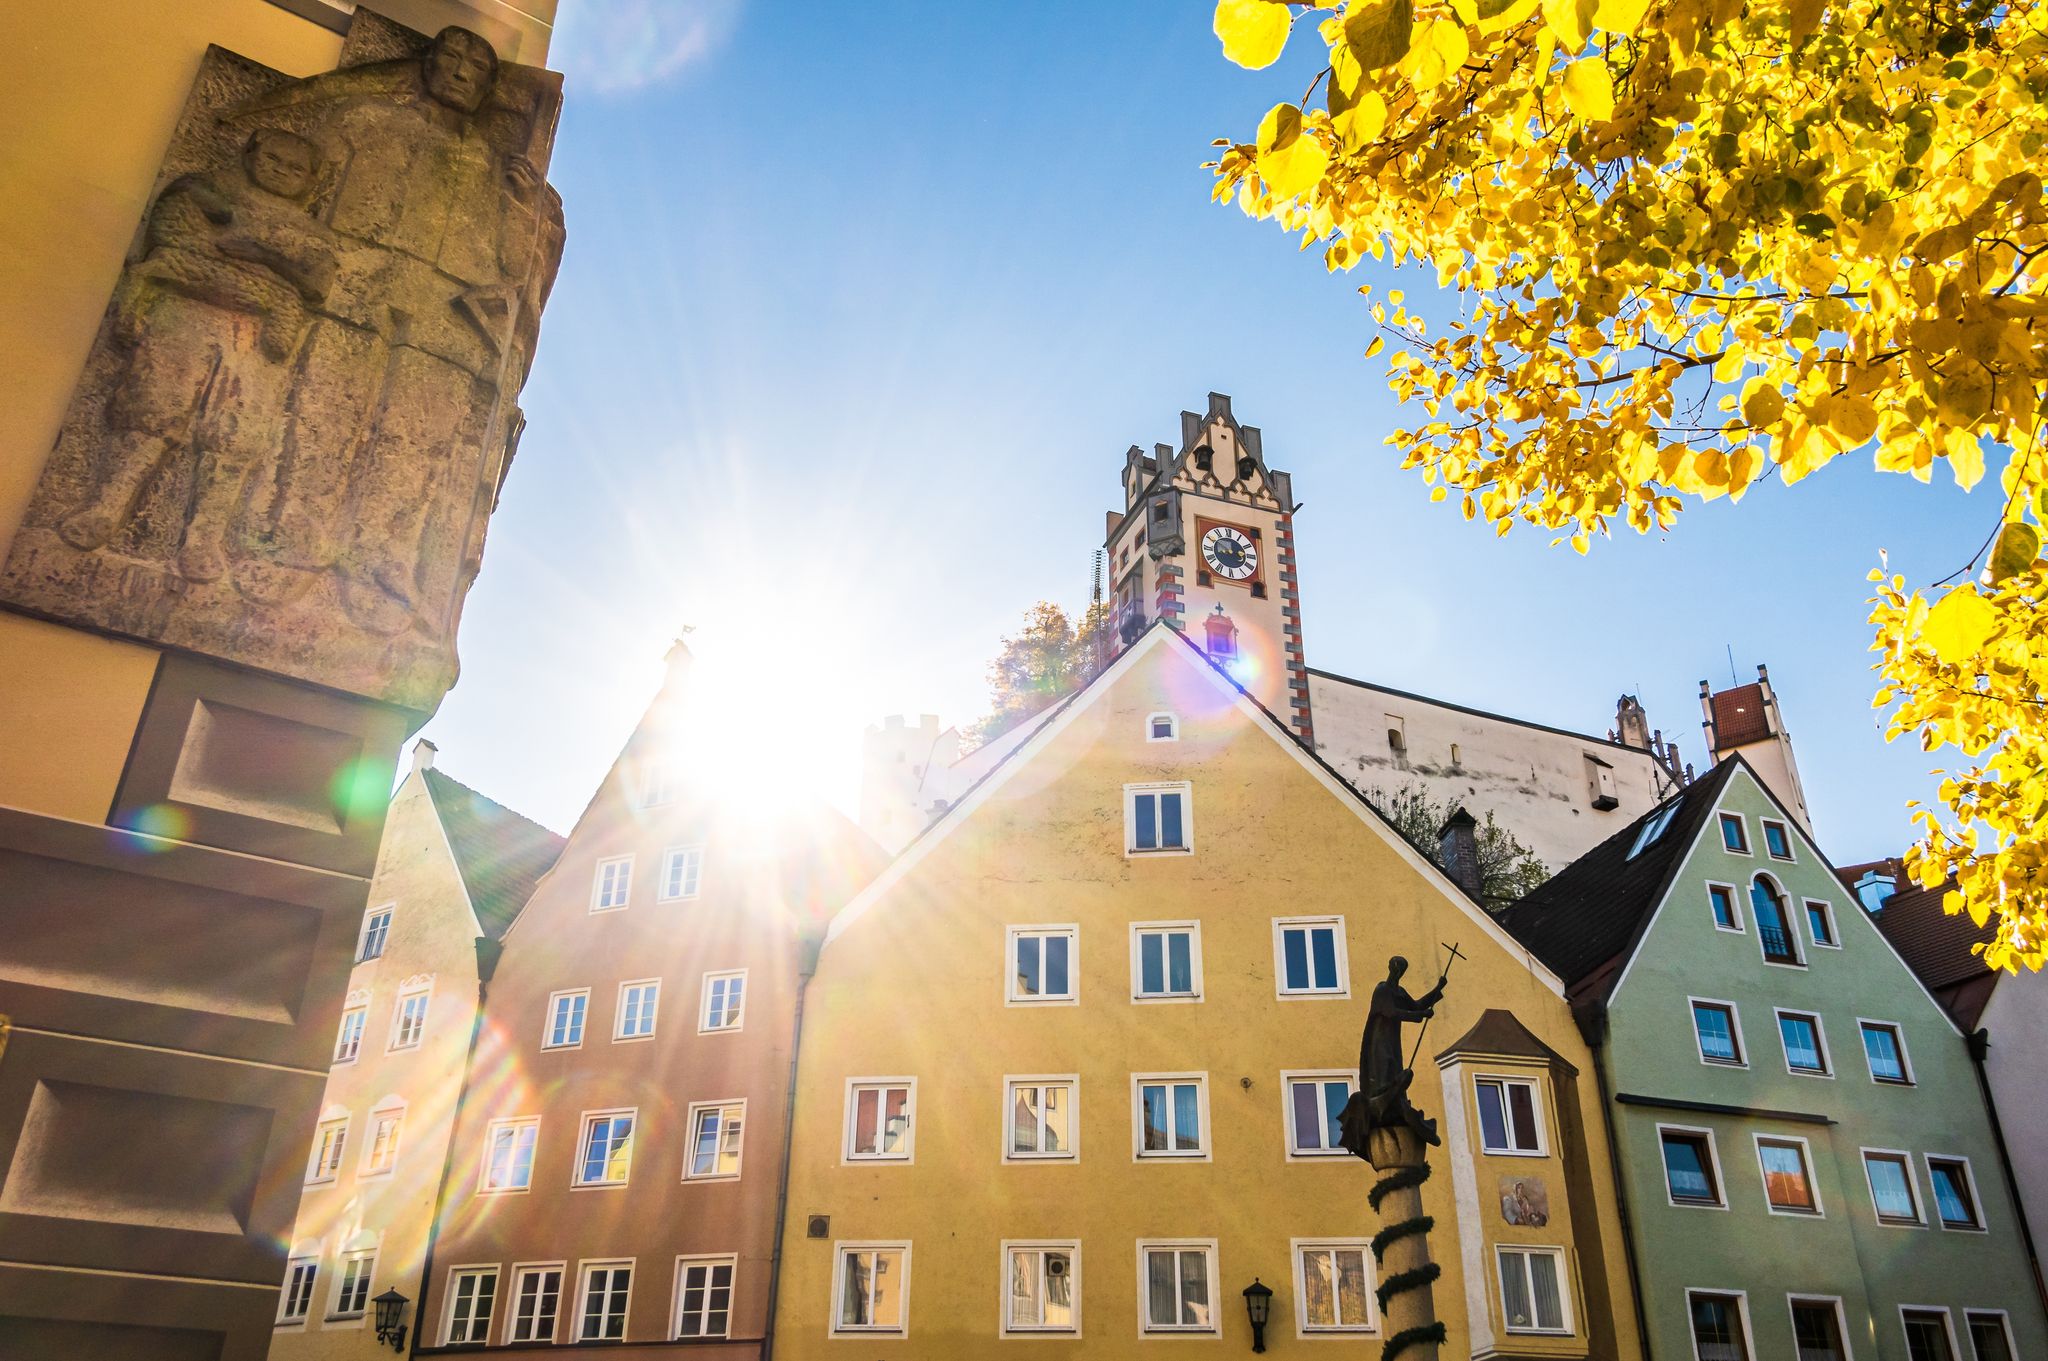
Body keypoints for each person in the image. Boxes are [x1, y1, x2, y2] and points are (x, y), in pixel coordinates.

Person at [60, 127, 338, 582]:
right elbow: (172, 238)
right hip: (186, 315)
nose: (282, 173)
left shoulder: (309, 232)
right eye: (273, 159)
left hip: (255, 337)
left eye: (296, 169)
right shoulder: (208, 193)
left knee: (234, 435)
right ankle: (106, 508)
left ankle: (204, 537)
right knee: (153, 411)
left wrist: (260, 258)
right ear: (251, 154)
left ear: (312, 180)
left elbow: (316, 284)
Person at [1340, 954, 1449, 1156]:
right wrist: (1421, 1016)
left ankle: (1395, 1100)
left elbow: (1416, 1005)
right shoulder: (1382, 990)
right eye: (1397, 967)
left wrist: (1437, 989)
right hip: (1378, 1042)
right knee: (1383, 1071)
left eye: (1402, 968)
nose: (1399, 971)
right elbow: (1392, 1012)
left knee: (1395, 1070)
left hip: (1391, 1041)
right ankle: (1380, 1100)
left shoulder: (1399, 991)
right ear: (1390, 968)